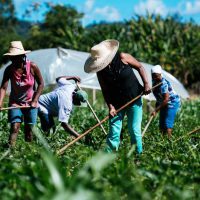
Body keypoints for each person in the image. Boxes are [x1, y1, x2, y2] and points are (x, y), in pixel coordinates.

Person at [84, 39, 151, 154]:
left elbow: (140, 67)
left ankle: (138, 156)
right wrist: (110, 107)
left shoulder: (123, 57)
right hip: (116, 104)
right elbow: (105, 90)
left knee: (134, 130)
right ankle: (108, 158)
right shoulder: (100, 71)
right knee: (114, 133)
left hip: (134, 98)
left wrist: (146, 84)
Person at [0, 41, 44, 146]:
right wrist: (0, 102)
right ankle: (11, 153)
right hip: (15, 102)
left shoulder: (33, 67)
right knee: (14, 127)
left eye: (15, 57)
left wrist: (35, 100)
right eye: (11, 57)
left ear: (22, 56)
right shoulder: (9, 69)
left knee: (29, 131)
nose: (12, 59)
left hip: (30, 103)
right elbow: (3, 87)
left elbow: (41, 84)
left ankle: (27, 155)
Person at [151, 65, 181, 137]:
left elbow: (166, 100)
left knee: (167, 124)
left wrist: (156, 110)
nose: (155, 78)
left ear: (160, 74)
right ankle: (162, 142)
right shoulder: (154, 82)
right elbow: (159, 98)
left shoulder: (163, 84)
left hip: (172, 103)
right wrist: (156, 108)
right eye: (153, 76)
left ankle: (169, 144)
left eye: (156, 76)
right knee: (161, 125)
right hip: (164, 103)